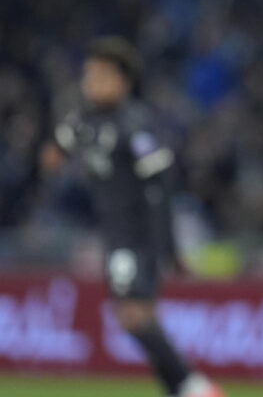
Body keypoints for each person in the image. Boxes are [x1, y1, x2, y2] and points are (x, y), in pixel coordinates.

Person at [40, 36, 223, 397]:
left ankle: (193, 386)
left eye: (101, 75)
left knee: (133, 316)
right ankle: (180, 387)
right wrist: (55, 152)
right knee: (137, 317)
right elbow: (58, 147)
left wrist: (166, 248)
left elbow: (161, 186)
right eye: (89, 75)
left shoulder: (135, 125)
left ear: (123, 81)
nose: (91, 83)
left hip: (137, 236)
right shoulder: (87, 121)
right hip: (115, 233)